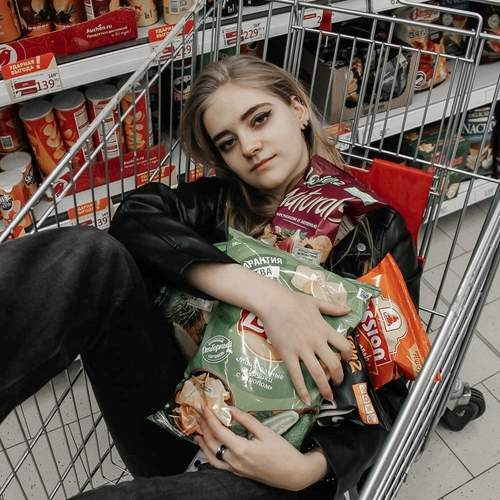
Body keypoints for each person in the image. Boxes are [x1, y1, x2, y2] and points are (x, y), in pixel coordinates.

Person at [0, 55, 418, 499]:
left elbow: (392, 393)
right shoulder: (221, 203)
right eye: (228, 142)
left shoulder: (371, 229)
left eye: (259, 119)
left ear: (298, 109)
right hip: (183, 413)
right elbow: (134, 215)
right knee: (87, 253)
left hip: (276, 457)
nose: (249, 146)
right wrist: (266, 296)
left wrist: (307, 470)